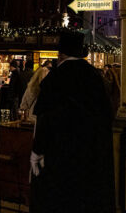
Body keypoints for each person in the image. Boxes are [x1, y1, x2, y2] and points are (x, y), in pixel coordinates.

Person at [30, 31, 115, 212]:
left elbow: (46, 117)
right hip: (89, 155)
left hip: (60, 154)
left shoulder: (55, 78)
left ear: (61, 54)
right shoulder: (95, 77)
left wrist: (37, 151)